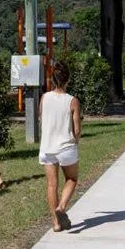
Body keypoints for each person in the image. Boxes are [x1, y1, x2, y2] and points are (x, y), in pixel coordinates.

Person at [39, 60, 82, 232]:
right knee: (71, 179)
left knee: (51, 185)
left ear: (52, 79)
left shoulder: (44, 97)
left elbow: (41, 118)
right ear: (68, 79)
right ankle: (61, 207)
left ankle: (56, 224)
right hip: (66, 147)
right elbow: (76, 129)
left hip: (47, 147)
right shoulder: (72, 101)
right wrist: (77, 139)